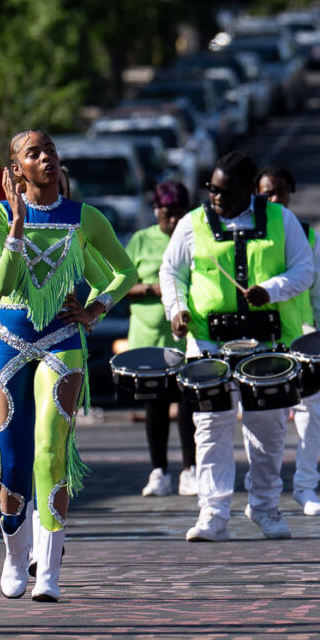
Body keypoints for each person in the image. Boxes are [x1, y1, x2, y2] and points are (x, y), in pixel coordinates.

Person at [0, 129, 138, 600]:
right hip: (9, 340)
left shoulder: (84, 216)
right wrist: (17, 223)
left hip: (62, 340)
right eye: (34, 153)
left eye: (50, 149)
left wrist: (94, 310)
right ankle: (15, 554)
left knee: (51, 449)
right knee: (12, 456)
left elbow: (125, 271)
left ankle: (48, 571)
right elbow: (3, 282)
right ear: (16, 169)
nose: (46, 157)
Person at [160, 151, 314, 543]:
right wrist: (176, 309)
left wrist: (271, 290)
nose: (216, 198)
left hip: (267, 341)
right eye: (211, 189)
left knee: (268, 429)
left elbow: (305, 269)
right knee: (211, 426)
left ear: (249, 190)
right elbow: (171, 271)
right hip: (208, 341)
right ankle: (213, 513)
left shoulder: (282, 219)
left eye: (225, 192)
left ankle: (264, 505)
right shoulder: (192, 223)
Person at [255, 165, 320, 515]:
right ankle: (263, 490)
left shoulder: (307, 234)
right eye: (267, 193)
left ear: (290, 195)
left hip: (301, 336)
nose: (274, 198)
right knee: (265, 417)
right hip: (260, 337)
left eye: (280, 192)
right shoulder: (249, 234)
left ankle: (305, 486)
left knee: (309, 411)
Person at [124, 181, 197, 498]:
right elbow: (120, 284)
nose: (174, 220)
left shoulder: (193, 237)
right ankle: (159, 471)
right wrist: (154, 289)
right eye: (168, 213)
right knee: (155, 403)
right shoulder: (140, 240)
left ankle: (190, 469)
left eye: (180, 213)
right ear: (156, 211)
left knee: (187, 402)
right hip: (149, 337)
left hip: (185, 337)